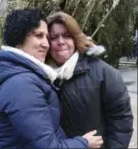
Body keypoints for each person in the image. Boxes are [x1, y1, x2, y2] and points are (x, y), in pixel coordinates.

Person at [0, 8, 103, 148]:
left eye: (47, 37)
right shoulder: (21, 84)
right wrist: (84, 143)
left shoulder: (22, 72)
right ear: (18, 38)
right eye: (38, 35)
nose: (46, 44)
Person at [46, 11, 134, 149]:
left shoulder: (104, 74)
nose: (61, 42)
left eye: (67, 35)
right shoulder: (42, 76)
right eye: (53, 37)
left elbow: (121, 122)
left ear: (75, 38)